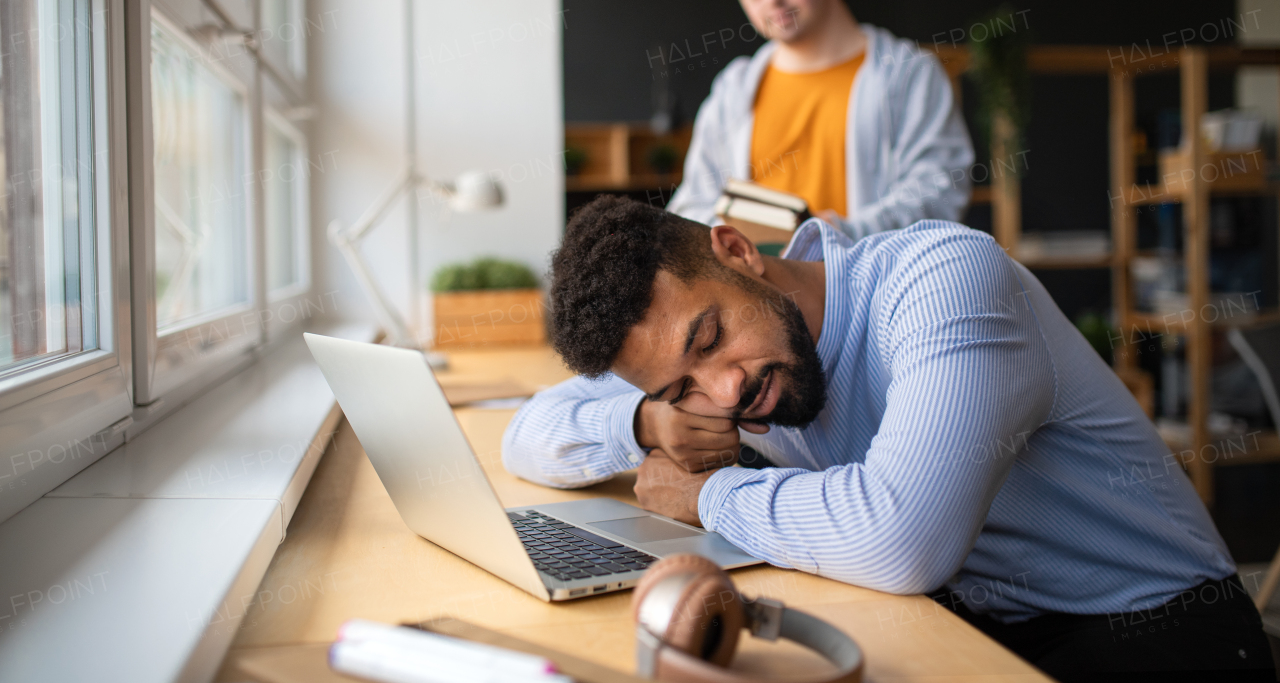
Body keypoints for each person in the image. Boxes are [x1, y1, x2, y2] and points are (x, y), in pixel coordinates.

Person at [502, 196, 1273, 681]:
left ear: (737, 252)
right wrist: (644, 419)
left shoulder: (943, 280)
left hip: (1159, 634)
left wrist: (708, 493)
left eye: (712, 339)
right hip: (981, 625)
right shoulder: (696, 366)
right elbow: (527, 434)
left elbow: (902, 534)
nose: (725, 392)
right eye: (681, 386)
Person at [668, 0, 973, 241]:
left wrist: (838, 233)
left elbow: (939, 192)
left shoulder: (909, 74)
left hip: (873, 287)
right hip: (758, 291)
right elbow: (690, 205)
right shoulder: (733, 89)